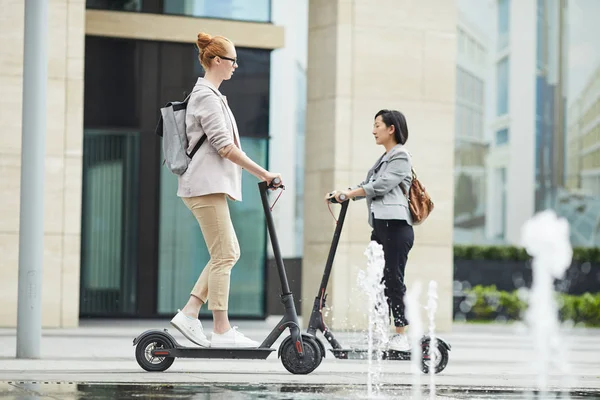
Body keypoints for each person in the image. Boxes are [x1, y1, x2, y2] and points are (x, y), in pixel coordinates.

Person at [170, 32, 282, 348]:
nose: (235, 66)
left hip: (206, 187)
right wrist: (264, 173)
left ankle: (191, 312)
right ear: (217, 61)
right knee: (226, 254)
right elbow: (224, 146)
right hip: (203, 186)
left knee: (227, 252)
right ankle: (220, 328)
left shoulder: (212, 95)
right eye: (232, 60)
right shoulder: (205, 95)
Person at [325, 109, 414, 352]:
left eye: (377, 125)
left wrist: (350, 194)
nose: (373, 130)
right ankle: (380, 333)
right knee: (378, 279)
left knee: (394, 279)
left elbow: (382, 185)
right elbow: (369, 185)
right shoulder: (384, 158)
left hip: (396, 227)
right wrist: (343, 193)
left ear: (391, 128)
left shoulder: (401, 156)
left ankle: (401, 335)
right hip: (381, 226)